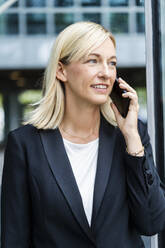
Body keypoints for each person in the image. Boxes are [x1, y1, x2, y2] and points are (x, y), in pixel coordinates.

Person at [1, 21, 165, 248]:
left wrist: (133, 141)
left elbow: (151, 222)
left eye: (112, 63)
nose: (106, 73)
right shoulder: (25, 144)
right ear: (61, 70)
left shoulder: (130, 135)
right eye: (93, 61)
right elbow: (14, 237)